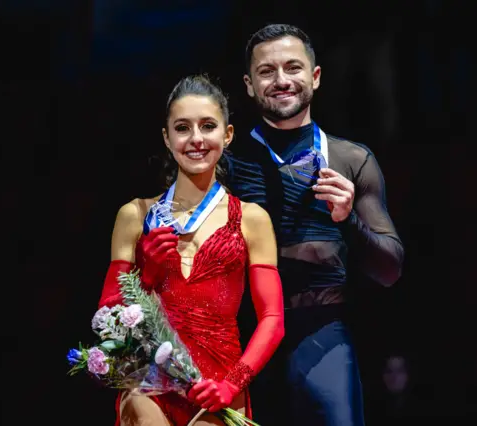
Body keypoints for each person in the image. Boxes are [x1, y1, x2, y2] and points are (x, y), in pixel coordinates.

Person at [225, 24, 405, 425]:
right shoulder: (225, 164)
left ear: (315, 77)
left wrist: (348, 220)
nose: (281, 80)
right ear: (250, 85)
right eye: (267, 71)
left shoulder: (350, 160)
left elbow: (390, 270)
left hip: (323, 340)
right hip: (242, 339)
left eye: (293, 67)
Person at [97, 75, 285, 425]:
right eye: (182, 128)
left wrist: (232, 385)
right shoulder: (135, 216)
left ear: (227, 136)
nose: (196, 139)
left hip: (215, 388)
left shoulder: (252, 219)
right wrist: (146, 278)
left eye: (208, 126)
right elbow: (107, 319)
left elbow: (273, 320)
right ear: (167, 139)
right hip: (149, 385)